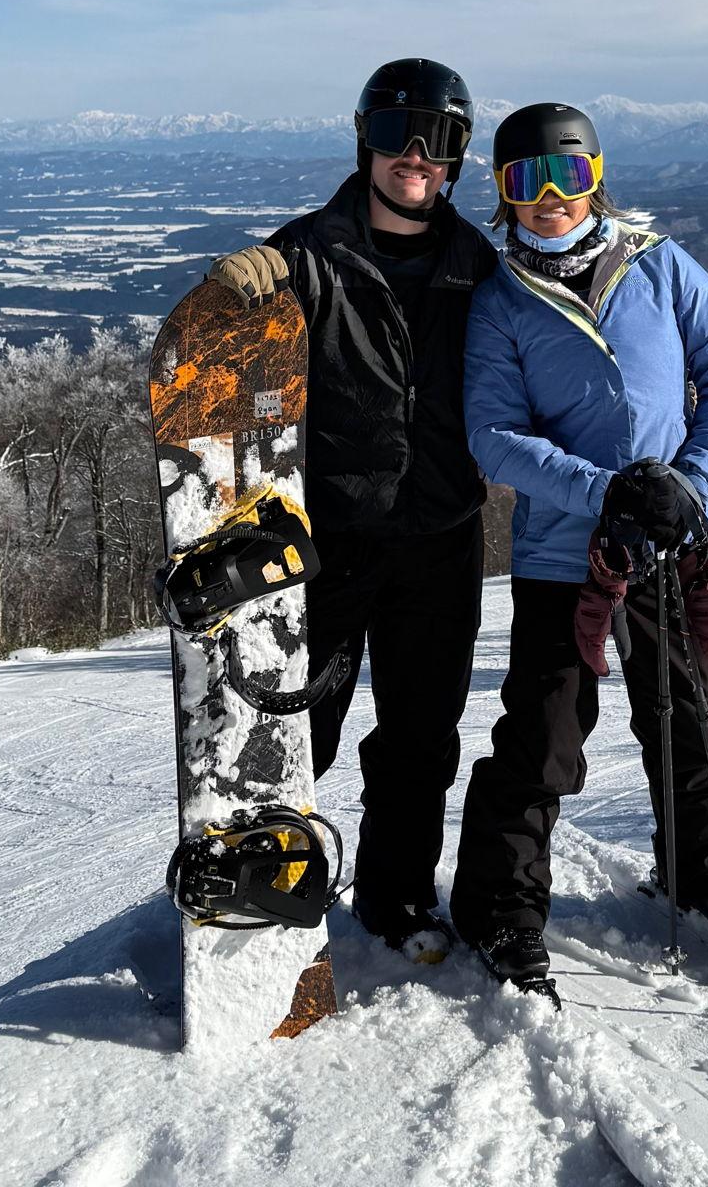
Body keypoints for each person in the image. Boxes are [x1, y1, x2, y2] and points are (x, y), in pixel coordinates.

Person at [448, 100, 708, 995]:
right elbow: (493, 436)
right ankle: (501, 902)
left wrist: (689, 483)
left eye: (569, 175)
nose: (551, 197)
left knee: (689, 724)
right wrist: (607, 491)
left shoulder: (660, 266)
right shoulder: (500, 300)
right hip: (569, 554)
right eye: (526, 181)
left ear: (597, 176)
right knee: (547, 733)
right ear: (502, 193)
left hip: (672, 541)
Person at [206, 57, 496, 962]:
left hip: (443, 539)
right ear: (363, 142)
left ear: (455, 159)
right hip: (333, 542)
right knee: (299, 730)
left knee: (421, 735)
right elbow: (224, 365)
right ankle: (268, 890)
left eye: (437, 140)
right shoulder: (306, 256)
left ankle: (398, 899)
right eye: (395, 136)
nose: (415, 157)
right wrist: (239, 284)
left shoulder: (475, 267)